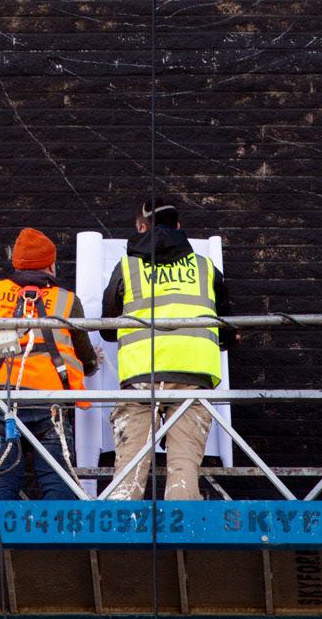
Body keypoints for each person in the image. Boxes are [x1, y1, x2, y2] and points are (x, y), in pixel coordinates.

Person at [0, 227, 100, 500]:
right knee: (57, 484)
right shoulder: (67, 300)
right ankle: (56, 530)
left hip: (3, 401)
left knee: (2, 484)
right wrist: (92, 362)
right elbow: (86, 362)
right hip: (50, 404)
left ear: (16, 265)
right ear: (51, 266)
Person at [100, 197, 236, 501]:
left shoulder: (127, 267)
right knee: (183, 477)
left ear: (141, 228)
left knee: (128, 480)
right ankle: (181, 526)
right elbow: (226, 331)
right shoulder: (205, 268)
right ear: (178, 226)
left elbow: (107, 328)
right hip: (193, 378)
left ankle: (123, 525)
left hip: (141, 378)